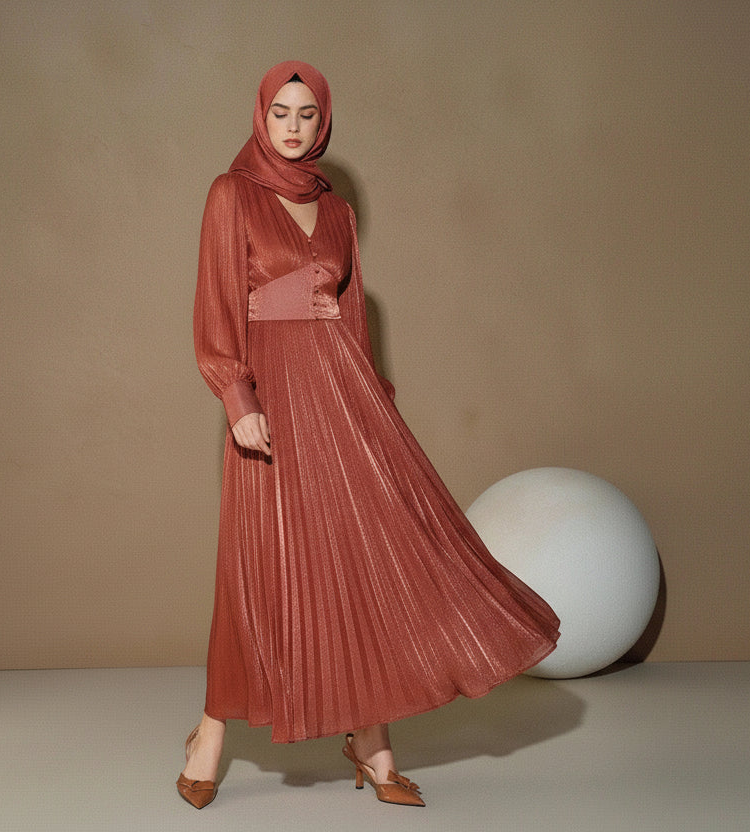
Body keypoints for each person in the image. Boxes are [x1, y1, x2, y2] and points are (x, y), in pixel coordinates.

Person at [179, 60, 560, 810]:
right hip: (270, 407)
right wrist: (238, 396)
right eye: (281, 113)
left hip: (345, 402)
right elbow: (217, 306)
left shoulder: (340, 211)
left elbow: (351, 322)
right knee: (258, 574)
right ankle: (210, 735)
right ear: (261, 117)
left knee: (363, 558)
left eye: (308, 115)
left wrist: (377, 408)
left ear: (326, 124)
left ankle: (373, 740)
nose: (293, 128)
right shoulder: (231, 195)